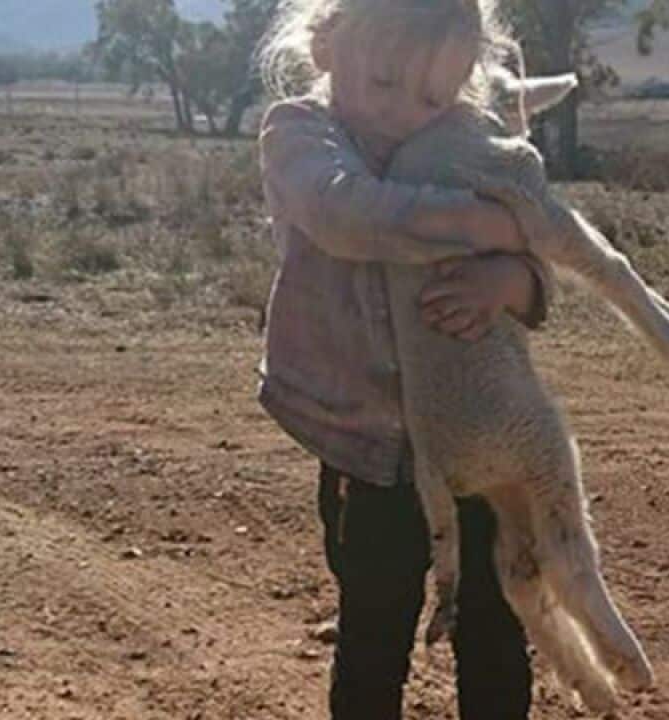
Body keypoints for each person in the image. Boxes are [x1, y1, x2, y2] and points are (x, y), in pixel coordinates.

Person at [255, 0, 552, 718]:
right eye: (384, 83)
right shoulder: (299, 133)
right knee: (373, 633)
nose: (404, 113)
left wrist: (508, 276)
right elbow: (348, 216)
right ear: (329, 46)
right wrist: (488, 224)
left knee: (496, 628)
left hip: (477, 441)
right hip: (364, 443)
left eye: (433, 96)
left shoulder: (463, 141)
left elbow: (537, 275)